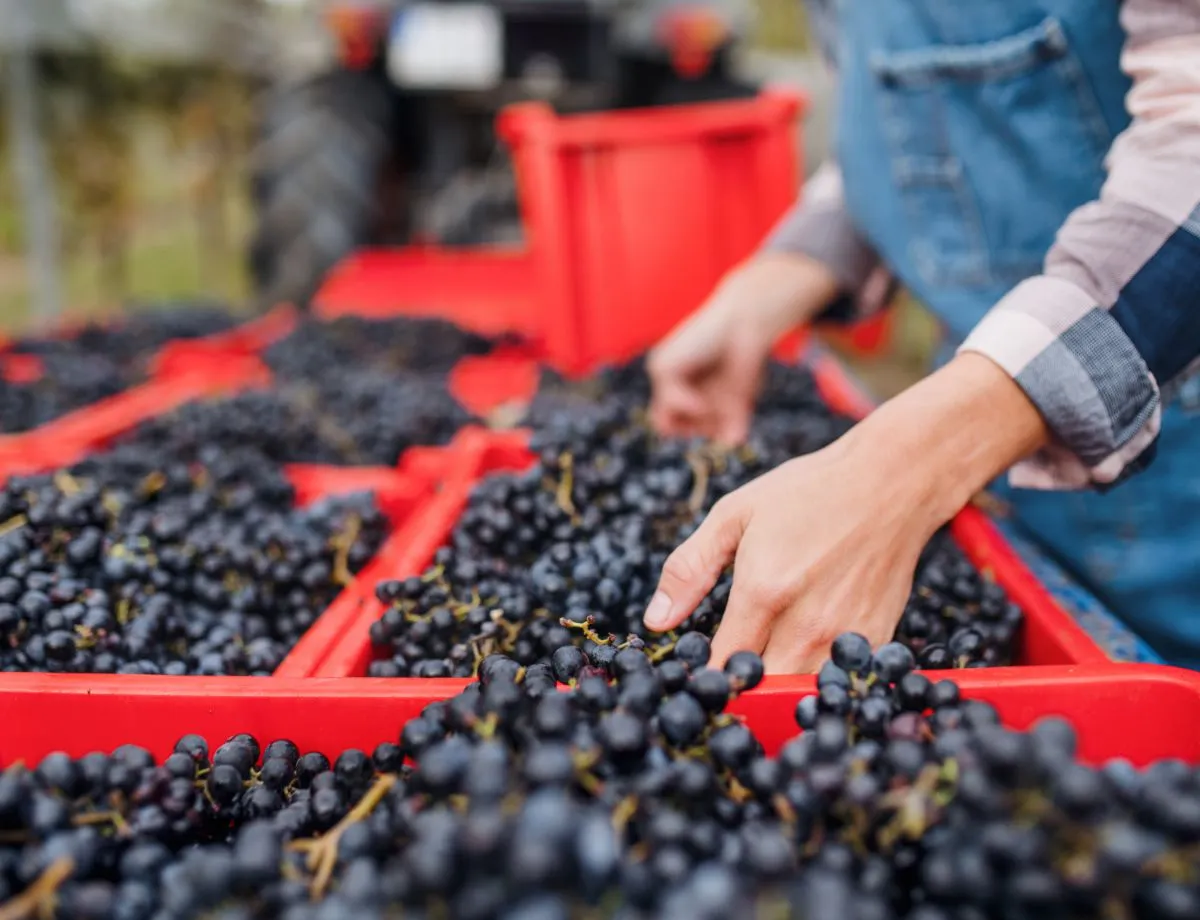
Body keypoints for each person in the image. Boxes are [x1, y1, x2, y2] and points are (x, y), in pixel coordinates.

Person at [642, 0, 1200, 672]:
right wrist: (768, 289)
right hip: (984, 484)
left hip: (1176, 481)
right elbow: (901, 135)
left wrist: (904, 465)